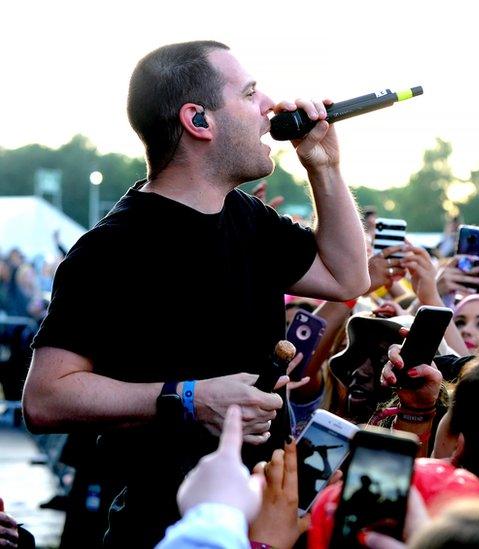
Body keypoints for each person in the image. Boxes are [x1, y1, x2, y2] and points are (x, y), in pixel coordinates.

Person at [22, 40, 369, 547]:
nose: (270, 105)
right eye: (250, 93)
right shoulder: (112, 249)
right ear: (198, 121)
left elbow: (346, 278)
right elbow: (45, 398)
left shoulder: (247, 218)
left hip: (262, 517)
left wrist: (323, 166)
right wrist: (191, 397)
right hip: (165, 523)